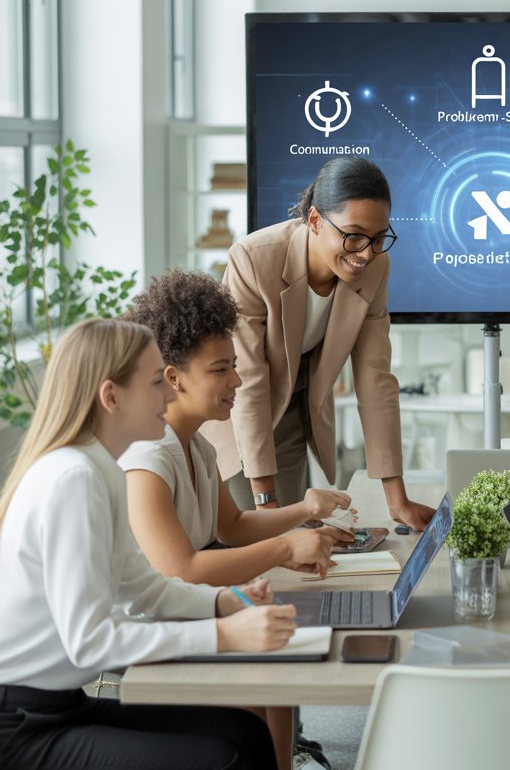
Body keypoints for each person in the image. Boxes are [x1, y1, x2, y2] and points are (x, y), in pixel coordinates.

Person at [0, 318, 297, 770]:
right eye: (157, 383)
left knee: (244, 731)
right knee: (222, 758)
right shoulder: (73, 478)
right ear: (111, 396)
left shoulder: (100, 470)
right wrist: (223, 634)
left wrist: (223, 603)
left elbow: (143, 585)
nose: (171, 395)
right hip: (13, 730)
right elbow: (89, 643)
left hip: (56, 706)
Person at [120, 269, 356, 770]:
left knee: (280, 657)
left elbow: (232, 527)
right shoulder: (148, 459)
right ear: (173, 377)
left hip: (186, 611)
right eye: (221, 370)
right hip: (148, 633)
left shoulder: (197, 446)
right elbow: (179, 569)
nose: (238, 381)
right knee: (266, 667)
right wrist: (287, 549)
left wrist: (304, 513)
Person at [203, 157, 434, 530]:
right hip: (236, 409)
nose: (366, 253)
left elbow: (376, 381)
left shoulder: (375, 267)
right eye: (354, 235)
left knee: (298, 541)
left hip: (296, 405)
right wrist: (266, 504)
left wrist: (398, 501)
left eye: (378, 238)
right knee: (255, 537)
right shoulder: (253, 259)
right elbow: (248, 380)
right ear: (314, 220)